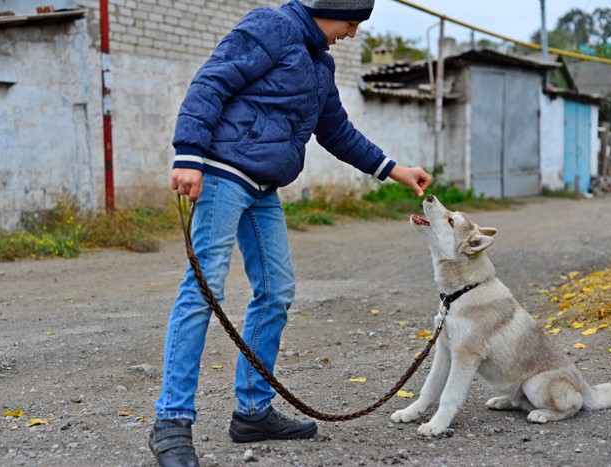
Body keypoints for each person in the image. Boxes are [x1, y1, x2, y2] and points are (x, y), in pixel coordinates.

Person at [150, 1, 432, 466]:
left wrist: (393, 169)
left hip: (263, 188)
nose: (352, 33)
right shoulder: (271, 27)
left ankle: (253, 411)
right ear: (331, 8)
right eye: (351, 23)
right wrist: (188, 154)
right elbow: (212, 80)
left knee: (277, 291)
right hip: (222, 174)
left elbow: (337, 132)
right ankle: (172, 421)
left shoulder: (320, 63)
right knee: (202, 291)